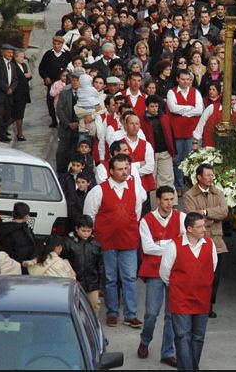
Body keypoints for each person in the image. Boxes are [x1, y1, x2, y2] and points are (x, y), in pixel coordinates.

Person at [83, 153, 147, 328]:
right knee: (110, 278)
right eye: (120, 169)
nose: (124, 172)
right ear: (111, 171)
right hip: (107, 242)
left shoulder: (135, 188)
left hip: (128, 241)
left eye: (126, 168)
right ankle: (112, 312)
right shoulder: (98, 190)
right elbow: (89, 215)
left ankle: (130, 314)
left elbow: (137, 212)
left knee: (129, 278)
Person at [159, 212, 218, 372]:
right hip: (181, 300)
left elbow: (212, 267)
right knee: (182, 337)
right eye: (199, 227)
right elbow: (165, 273)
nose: (203, 230)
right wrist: (181, 287)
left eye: (203, 226)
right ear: (189, 229)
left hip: (202, 299)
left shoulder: (210, 245)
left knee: (198, 338)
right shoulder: (174, 246)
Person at [138, 186, 186, 366]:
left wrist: (162, 244)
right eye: (165, 200)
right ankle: (145, 340)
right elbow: (147, 247)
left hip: (175, 271)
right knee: (151, 312)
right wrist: (172, 245)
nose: (169, 203)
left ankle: (167, 352)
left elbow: (184, 242)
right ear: (157, 200)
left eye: (171, 199)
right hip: (154, 271)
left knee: (171, 314)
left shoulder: (181, 217)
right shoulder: (147, 220)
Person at [184, 164, 229, 318]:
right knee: (198, 275)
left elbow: (224, 211)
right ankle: (198, 304)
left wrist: (205, 212)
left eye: (212, 175)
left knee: (215, 277)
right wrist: (211, 218)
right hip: (198, 240)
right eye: (208, 175)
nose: (211, 178)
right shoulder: (190, 195)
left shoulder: (218, 192)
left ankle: (209, 304)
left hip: (216, 240)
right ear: (199, 177)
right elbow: (191, 217)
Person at [166, 70, 204, 197]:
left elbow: (199, 110)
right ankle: (179, 186)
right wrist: (189, 109)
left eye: (188, 79)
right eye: (183, 79)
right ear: (178, 79)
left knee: (193, 160)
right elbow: (172, 108)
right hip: (176, 132)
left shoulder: (195, 92)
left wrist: (182, 112)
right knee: (178, 161)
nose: (186, 82)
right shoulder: (171, 92)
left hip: (192, 132)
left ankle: (194, 186)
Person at [62, 215, 105, 314]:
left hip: (92, 283)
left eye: (89, 231)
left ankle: (92, 327)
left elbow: (101, 266)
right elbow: (63, 262)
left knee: (94, 305)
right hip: (74, 282)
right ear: (77, 229)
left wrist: (101, 285)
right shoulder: (68, 243)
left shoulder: (95, 244)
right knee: (75, 307)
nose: (86, 234)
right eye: (83, 231)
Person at [140, 96, 177, 204]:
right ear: (147, 107)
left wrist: (173, 151)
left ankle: (170, 202)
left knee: (167, 179)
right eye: (152, 106)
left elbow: (171, 134)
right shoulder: (143, 120)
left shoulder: (164, 117)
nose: (155, 109)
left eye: (156, 106)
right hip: (151, 154)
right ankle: (154, 205)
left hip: (165, 152)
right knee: (152, 180)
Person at [121, 112, 157, 195]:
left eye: (137, 124)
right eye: (131, 123)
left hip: (144, 186)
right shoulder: (119, 145)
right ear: (125, 126)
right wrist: (138, 165)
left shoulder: (147, 145)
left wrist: (130, 171)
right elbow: (117, 166)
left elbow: (150, 168)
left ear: (140, 125)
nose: (134, 126)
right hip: (125, 185)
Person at [55, 70, 82, 174]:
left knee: (75, 153)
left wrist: (78, 124)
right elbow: (59, 110)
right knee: (61, 153)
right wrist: (68, 123)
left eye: (77, 80)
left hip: (79, 129)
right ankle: (61, 175)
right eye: (73, 80)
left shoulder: (85, 94)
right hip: (65, 128)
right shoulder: (64, 93)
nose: (75, 82)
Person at [0, 202, 36, 267]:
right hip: (19, 267)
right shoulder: (25, 232)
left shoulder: (1, 228)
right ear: (26, 216)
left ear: (13, 213)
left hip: (1, 265)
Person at [10, 49, 32, 141]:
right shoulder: (12, 66)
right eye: (21, 57)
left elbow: (25, 78)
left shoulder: (24, 65)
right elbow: (15, 78)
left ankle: (19, 133)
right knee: (17, 115)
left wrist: (29, 76)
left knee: (20, 114)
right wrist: (25, 76)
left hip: (24, 93)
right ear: (15, 57)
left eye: (23, 56)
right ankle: (19, 134)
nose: (23, 58)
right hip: (16, 94)